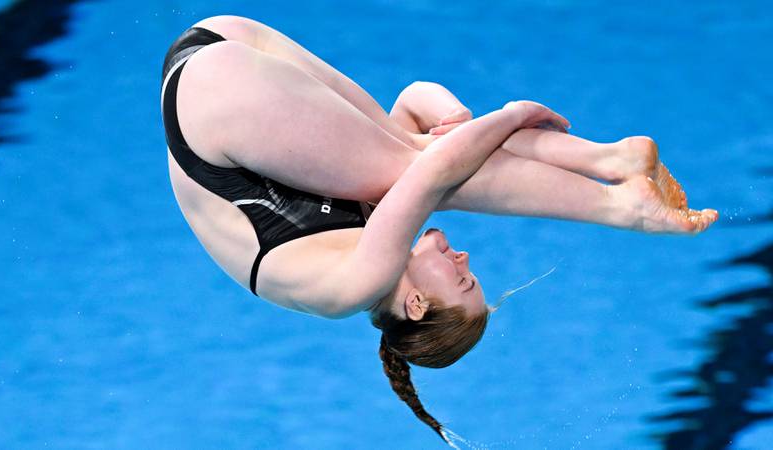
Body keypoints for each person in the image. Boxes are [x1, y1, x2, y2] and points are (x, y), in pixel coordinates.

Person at [160, 15, 718, 443]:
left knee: (424, 170)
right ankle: (609, 163)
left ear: (419, 305)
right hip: (223, 55)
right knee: (421, 156)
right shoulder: (371, 225)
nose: (466, 261)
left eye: (464, 282)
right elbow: (414, 100)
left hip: (214, 90)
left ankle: (621, 197)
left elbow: (435, 173)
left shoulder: (352, 284)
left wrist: (512, 114)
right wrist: (457, 115)